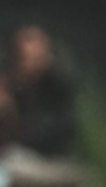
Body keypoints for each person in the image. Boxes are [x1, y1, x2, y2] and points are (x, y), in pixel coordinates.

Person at [6, 22, 78, 158]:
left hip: (49, 160)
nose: (27, 63)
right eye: (21, 57)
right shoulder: (5, 84)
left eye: (35, 57)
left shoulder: (57, 88)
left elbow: (50, 134)